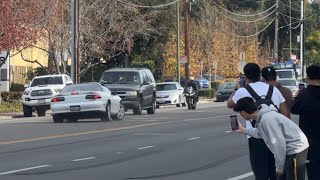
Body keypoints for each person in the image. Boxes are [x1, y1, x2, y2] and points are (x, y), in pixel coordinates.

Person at [227, 63, 289, 180]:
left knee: (260, 173)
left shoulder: (242, 91)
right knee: (275, 172)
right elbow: (285, 113)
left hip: (256, 137)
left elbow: (230, 103)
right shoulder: (273, 89)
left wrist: (237, 88)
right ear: (259, 75)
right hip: (275, 134)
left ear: (246, 76)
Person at [234, 97, 309, 180]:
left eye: (240, 113)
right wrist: (243, 130)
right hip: (290, 149)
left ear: (243, 112)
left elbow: (278, 144)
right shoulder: (263, 118)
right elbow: (260, 133)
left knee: (292, 176)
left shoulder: (267, 119)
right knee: (282, 176)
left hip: (296, 148)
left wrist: (279, 167)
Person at [291, 64, 320, 180]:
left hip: (309, 139)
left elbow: (293, 109)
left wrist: (296, 96)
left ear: (308, 77)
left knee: (313, 169)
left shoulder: (304, 95)